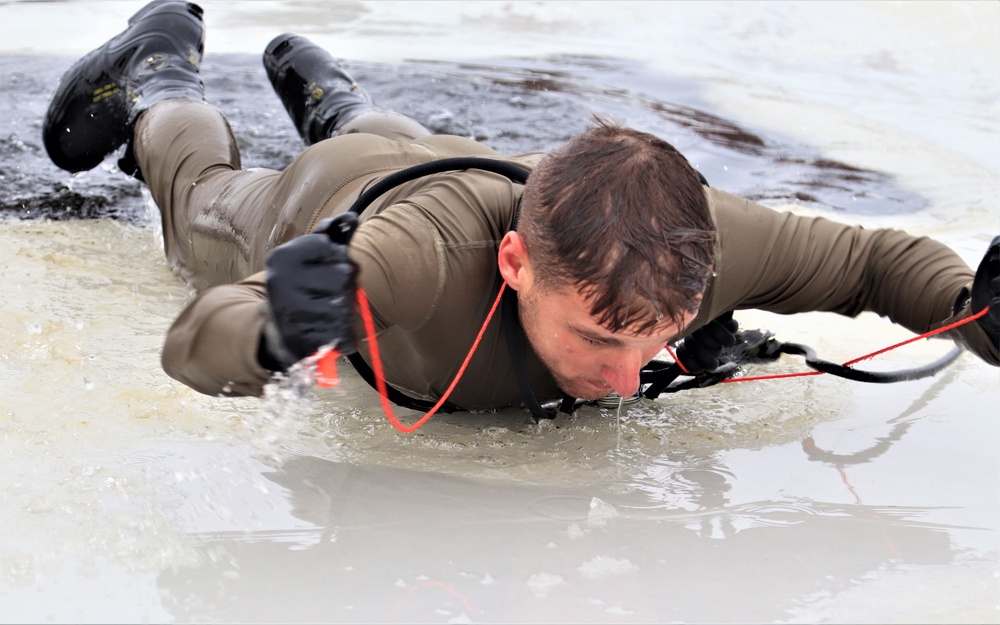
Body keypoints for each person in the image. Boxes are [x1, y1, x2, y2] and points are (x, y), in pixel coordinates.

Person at [42, 0, 998, 414]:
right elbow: (196, 342)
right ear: (513, 265)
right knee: (198, 201)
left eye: (652, 338)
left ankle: (334, 95)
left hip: (464, 161)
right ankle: (161, 68)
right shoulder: (410, 261)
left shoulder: (699, 241)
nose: (629, 383)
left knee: (412, 143)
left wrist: (986, 316)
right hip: (337, 194)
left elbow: (879, 263)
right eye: (597, 338)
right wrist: (277, 324)